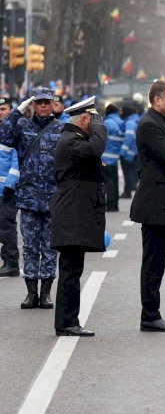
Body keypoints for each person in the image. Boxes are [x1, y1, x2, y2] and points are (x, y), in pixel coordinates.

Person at [130, 80, 165, 332]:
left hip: (163, 204)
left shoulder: (161, 120)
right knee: (153, 261)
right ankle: (150, 315)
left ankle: (152, 313)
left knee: (158, 261)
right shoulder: (149, 124)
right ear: (156, 100)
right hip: (154, 204)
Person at [0, 87, 64, 309]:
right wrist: (17, 110)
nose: (44, 106)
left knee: (49, 247)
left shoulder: (62, 128)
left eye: (47, 102)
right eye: (39, 103)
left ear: (53, 103)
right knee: (29, 247)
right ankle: (30, 293)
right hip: (28, 197)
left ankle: (45, 293)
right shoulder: (22, 126)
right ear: (34, 105)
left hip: (53, 198)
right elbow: (3, 134)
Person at [51, 96, 106, 337]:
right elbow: (94, 150)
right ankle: (66, 323)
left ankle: (69, 321)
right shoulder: (71, 141)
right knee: (70, 271)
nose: (95, 124)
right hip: (71, 216)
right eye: (92, 120)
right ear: (84, 118)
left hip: (75, 215)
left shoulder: (74, 139)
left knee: (73, 270)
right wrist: (101, 127)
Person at [0, 97, 20, 277]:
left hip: (6, 191)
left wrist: (10, 185)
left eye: (3, 109)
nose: (0, 112)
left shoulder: (14, 131)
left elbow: (17, 162)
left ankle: (11, 263)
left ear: (12, 111)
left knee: (6, 227)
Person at [103, 103, 124, 212]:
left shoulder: (107, 123)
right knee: (114, 181)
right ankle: (115, 204)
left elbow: (102, 139)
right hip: (115, 157)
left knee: (109, 183)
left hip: (106, 157)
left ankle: (110, 205)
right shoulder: (120, 122)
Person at [119, 102, 140, 198]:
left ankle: (127, 192)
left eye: (121, 111)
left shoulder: (130, 123)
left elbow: (129, 137)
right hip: (134, 152)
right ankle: (128, 190)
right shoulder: (135, 120)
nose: (120, 113)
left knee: (127, 173)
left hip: (129, 153)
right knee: (131, 172)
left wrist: (122, 152)